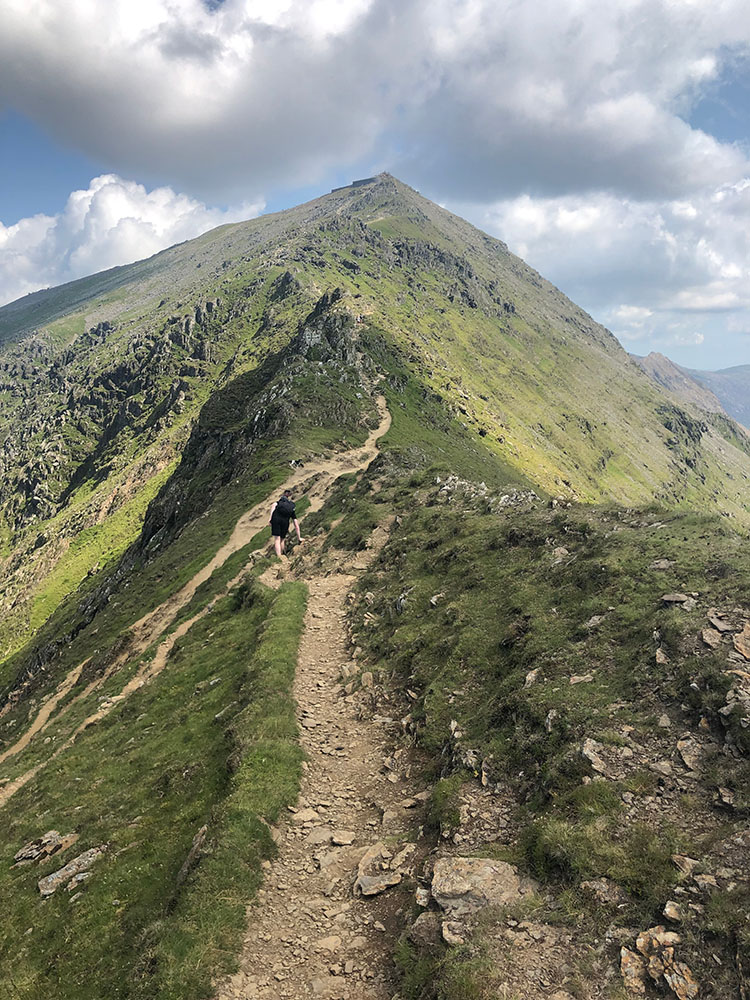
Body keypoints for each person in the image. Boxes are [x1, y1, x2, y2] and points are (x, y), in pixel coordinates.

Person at [269, 490, 302, 557]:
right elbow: (296, 524)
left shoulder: (277, 503)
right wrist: (299, 538)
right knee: (282, 539)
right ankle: (283, 554)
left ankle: (279, 557)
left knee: (277, 539)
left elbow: (273, 507)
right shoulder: (291, 507)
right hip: (285, 522)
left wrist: (270, 520)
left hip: (276, 520)